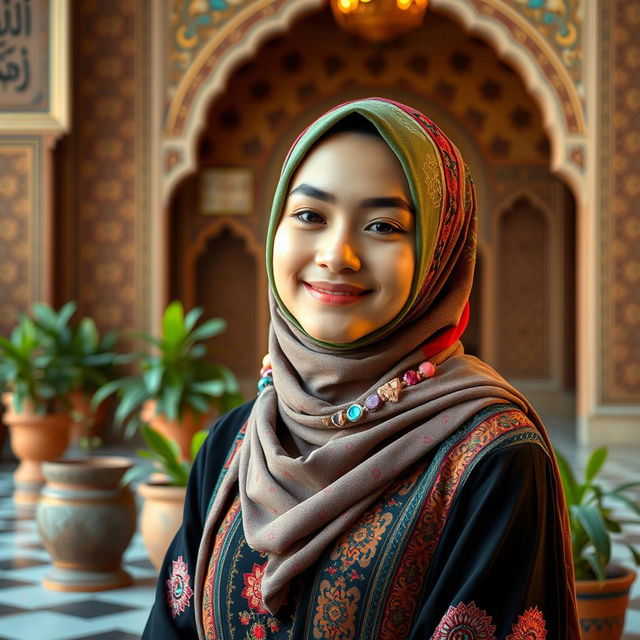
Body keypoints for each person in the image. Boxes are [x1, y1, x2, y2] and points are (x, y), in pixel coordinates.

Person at [142, 97, 580, 639]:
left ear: (439, 256)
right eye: (309, 216)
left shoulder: (491, 460)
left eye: (382, 226)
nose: (337, 253)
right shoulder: (236, 441)